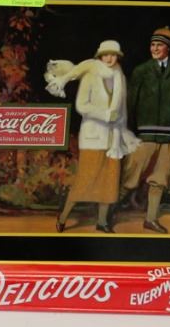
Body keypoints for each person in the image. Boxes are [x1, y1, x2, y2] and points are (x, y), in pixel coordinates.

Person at [49, 40, 140, 233]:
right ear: (100, 56)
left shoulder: (120, 77)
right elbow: (81, 106)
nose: (109, 58)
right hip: (93, 136)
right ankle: (63, 217)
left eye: (113, 55)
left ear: (118, 57)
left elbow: (122, 110)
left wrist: (121, 131)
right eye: (105, 55)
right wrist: (105, 114)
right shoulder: (91, 75)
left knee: (109, 181)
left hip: (113, 138)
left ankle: (102, 221)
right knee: (84, 180)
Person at [119, 27, 170, 234]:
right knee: (131, 176)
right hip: (143, 135)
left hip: (168, 136)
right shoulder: (141, 70)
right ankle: (105, 215)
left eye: (159, 45)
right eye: (152, 45)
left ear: (168, 48)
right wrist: (129, 132)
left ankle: (151, 219)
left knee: (159, 179)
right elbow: (131, 102)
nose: (155, 48)